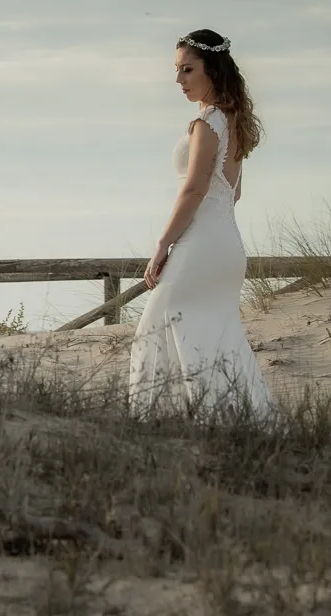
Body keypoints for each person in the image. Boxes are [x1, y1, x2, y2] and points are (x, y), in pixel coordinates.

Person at [127, 29, 276, 419]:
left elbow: (194, 190)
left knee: (157, 331)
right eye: (177, 71)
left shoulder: (208, 122)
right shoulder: (234, 120)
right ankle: (237, 422)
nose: (179, 80)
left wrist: (162, 246)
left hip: (201, 245)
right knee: (218, 339)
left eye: (187, 70)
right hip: (227, 246)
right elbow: (234, 193)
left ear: (212, 70)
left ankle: (166, 425)